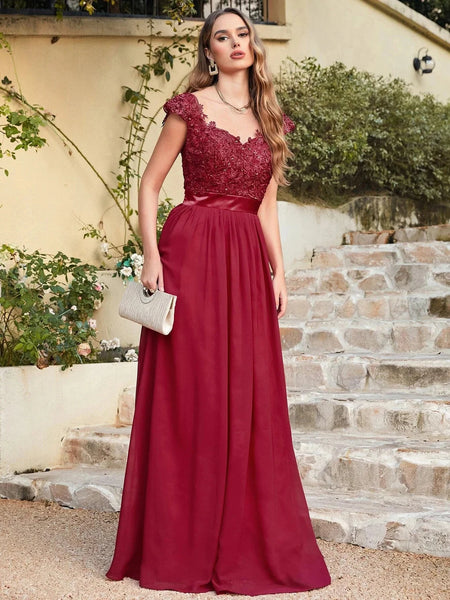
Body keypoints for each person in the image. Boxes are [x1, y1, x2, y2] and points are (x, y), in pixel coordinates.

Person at [105, 7, 331, 595]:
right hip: (191, 252)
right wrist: (151, 256)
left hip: (245, 261)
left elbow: (266, 206)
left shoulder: (273, 119)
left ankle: (239, 536)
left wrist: (279, 271)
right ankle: (178, 540)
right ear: (209, 52)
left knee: (247, 394)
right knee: (193, 391)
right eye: (222, 37)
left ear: (255, 46)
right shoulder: (188, 110)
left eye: (242, 34)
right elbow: (150, 184)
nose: (235, 43)